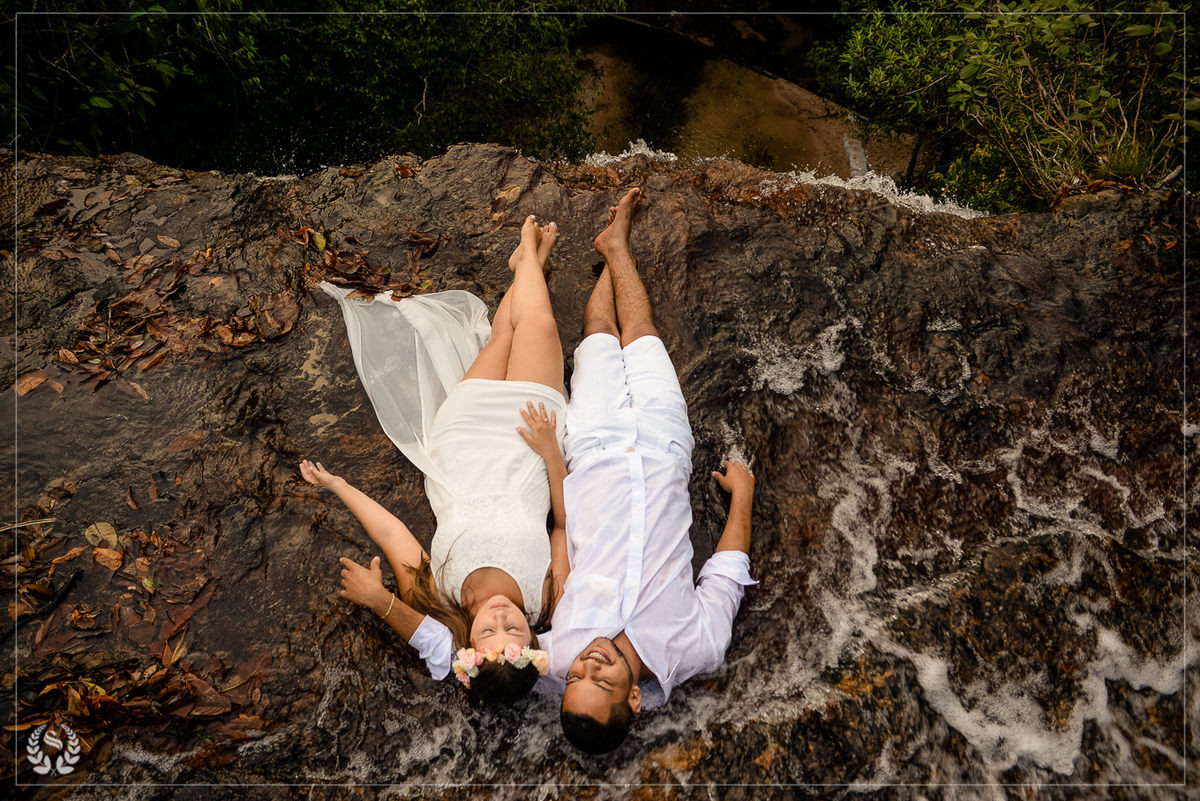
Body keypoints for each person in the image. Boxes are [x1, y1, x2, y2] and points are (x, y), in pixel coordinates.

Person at [301, 215, 570, 704]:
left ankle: (529, 263)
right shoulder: (548, 597)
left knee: (502, 340)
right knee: (537, 323)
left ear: (466, 646)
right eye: (515, 630)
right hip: (532, 449)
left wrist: (338, 485)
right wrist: (553, 454)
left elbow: (392, 535)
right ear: (533, 639)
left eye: (490, 631)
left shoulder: (437, 595)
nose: (502, 616)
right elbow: (562, 528)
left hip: (461, 443)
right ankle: (530, 258)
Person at [539, 188, 757, 753]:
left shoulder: (555, 655)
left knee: (597, 337)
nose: (588, 665)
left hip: (591, 451)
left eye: (576, 680)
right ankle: (617, 247)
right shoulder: (696, 649)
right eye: (602, 681)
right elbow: (727, 572)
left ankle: (612, 250)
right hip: (663, 447)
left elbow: (474, 654)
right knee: (641, 336)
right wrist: (743, 496)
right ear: (634, 699)